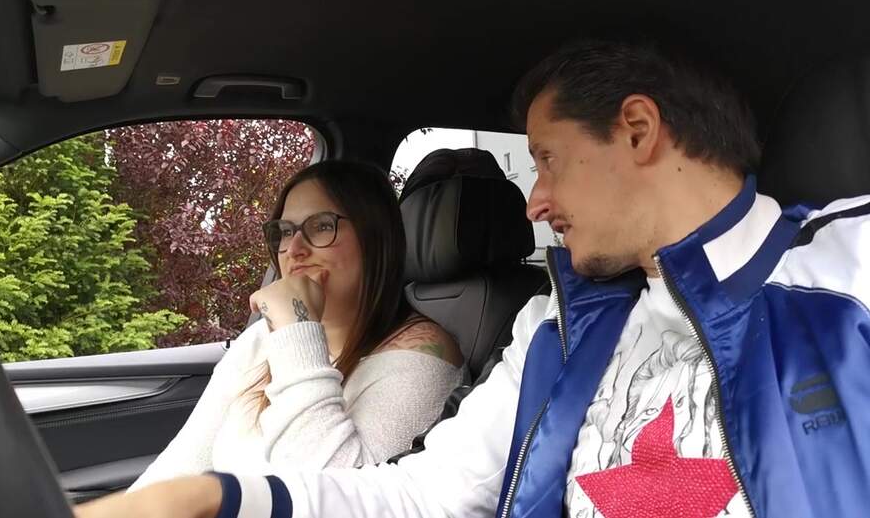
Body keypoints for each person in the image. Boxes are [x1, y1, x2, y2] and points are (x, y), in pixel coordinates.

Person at [76, 39, 870, 518]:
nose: (535, 200)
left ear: (637, 130)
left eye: (548, 159)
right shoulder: (558, 328)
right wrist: (216, 497)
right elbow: (423, 497)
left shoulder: (848, 267)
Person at [128, 160, 464, 491]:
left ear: (375, 238)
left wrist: (295, 326)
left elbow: (332, 498)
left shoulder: (424, 358)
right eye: (285, 232)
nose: (294, 249)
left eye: (321, 226)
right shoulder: (262, 338)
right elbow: (182, 464)